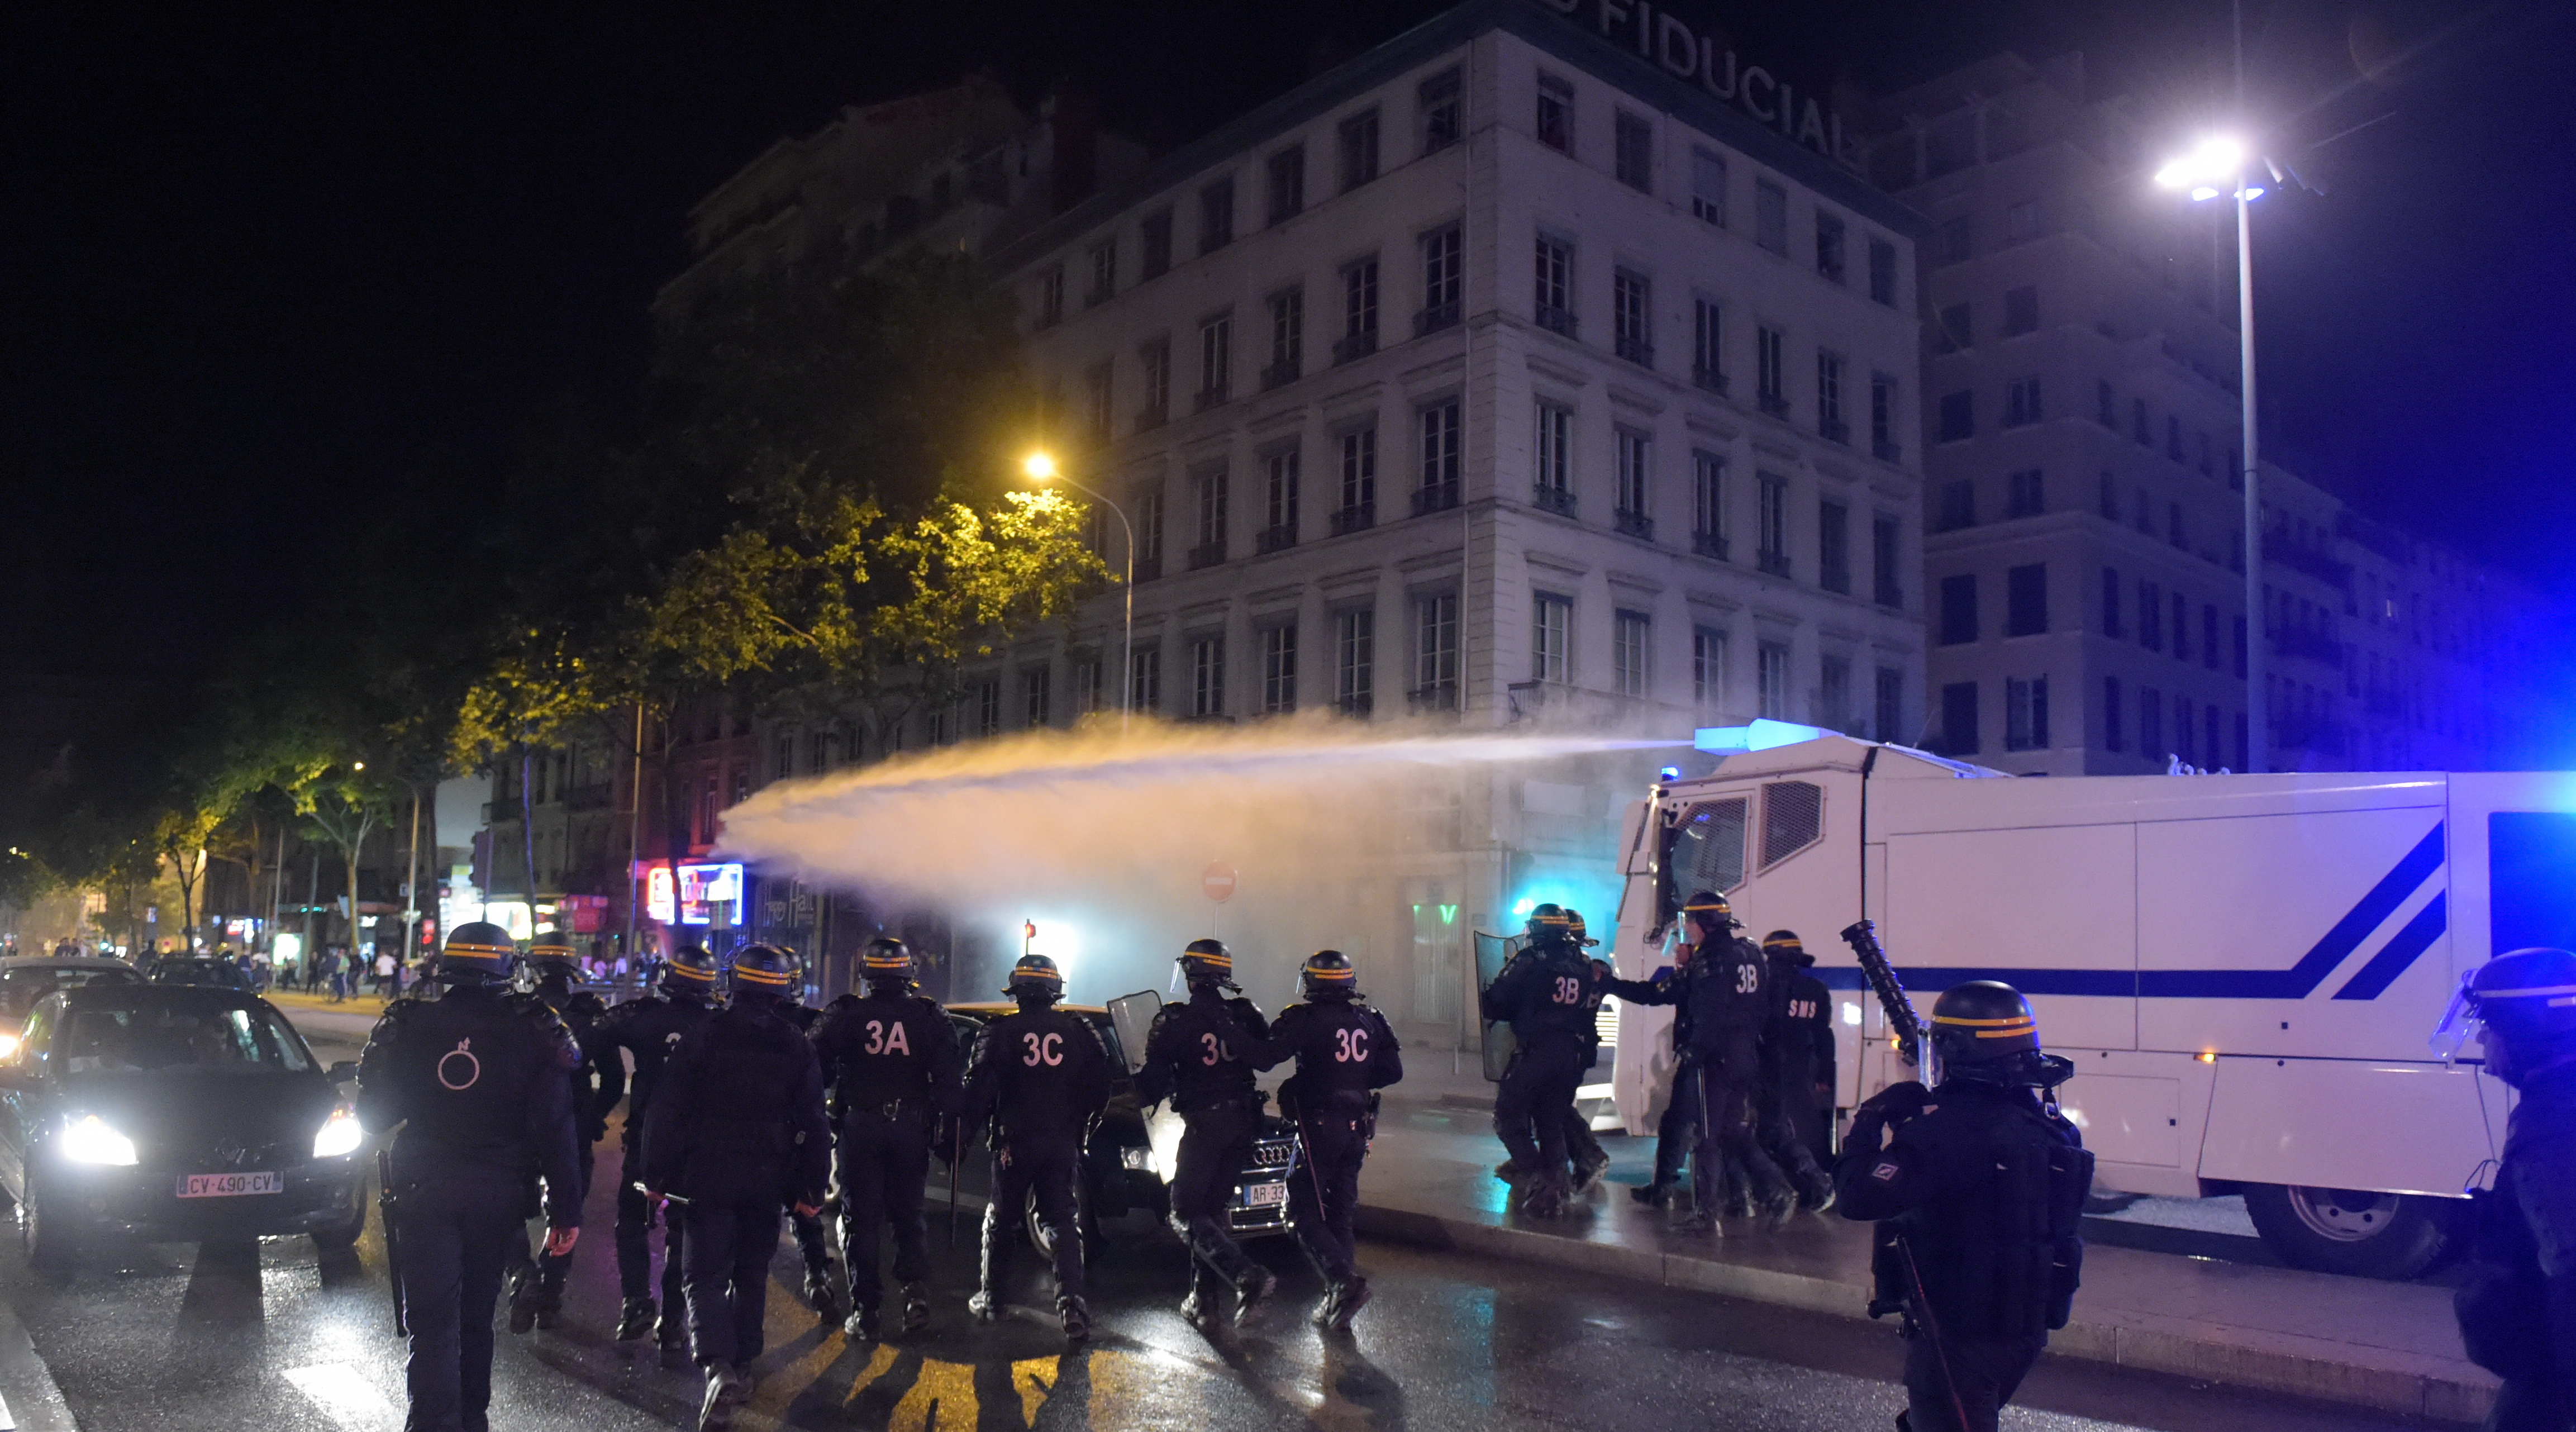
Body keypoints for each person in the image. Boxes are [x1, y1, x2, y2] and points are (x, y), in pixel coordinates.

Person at [355, 921, 583, 1432]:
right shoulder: (535, 1028)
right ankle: (472, 1419)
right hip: (498, 1193)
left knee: (433, 1323)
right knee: (478, 1318)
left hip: (424, 1190)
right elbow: (556, 1129)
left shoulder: (409, 1022)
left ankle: (433, 1422)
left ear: (448, 966)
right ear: (507, 968)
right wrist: (566, 1211)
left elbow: (372, 1117)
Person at [1837, 981, 2089, 1432]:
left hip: (1956, 1341)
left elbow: (1856, 1195)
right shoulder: (2051, 1126)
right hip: (2023, 1330)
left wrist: (1871, 1119)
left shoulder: (1947, 1134)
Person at [642, 943, 829, 1432]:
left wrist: (656, 1174)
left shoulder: (704, 1035)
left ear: (734, 983)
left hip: (708, 1175)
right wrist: (811, 1187)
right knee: (751, 1272)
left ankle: (717, 1365)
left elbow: (667, 1111)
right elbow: (815, 1120)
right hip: (768, 1179)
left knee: (701, 1274)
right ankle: (743, 1365)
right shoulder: (796, 1044)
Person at [2442, 946, 2576, 1430]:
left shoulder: (2550, 1124)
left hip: (2553, 1373)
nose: (2480, 1039)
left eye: (2489, 1026)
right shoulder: (2559, 1093)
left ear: (2527, 1033)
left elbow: (2569, 1267)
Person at [1599, 891, 1790, 1229]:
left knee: (1707, 1137)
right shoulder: (1748, 952)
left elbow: (1707, 1013)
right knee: (1732, 1133)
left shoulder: (1710, 961)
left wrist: (1694, 1053)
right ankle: (1776, 1190)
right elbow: (1765, 1004)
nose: (1687, 930)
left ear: (1704, 924)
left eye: (1690, 922)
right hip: (1745, 1056)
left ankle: (1706, 1213)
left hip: (1715, 1061)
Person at [811, 936, 961, 1341]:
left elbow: (813, 1063)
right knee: (907, 1215)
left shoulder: (846, 1012)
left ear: (867, 973)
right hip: (910, 1129)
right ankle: (915, 1295)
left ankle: (867, 1310)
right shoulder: (929, 1015)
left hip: (861, 1127)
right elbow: (950, 1076)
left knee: (861, 1222)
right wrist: (947, 1132)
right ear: (908, 972)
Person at [960, 952, 1111, 1341]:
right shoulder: (1077, 1030)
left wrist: (958, 1136)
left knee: (1002, 1218)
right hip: (1061, 1141)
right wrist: (1083, 1121)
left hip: (1014, 1142)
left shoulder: (999, 1031)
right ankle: (1072, 1303)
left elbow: (978, 1090)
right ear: (1053, 990)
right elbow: (1101, 1080)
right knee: (1061, 1219)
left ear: (1017, 991)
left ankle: (994, 1300)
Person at [1249, 950, 1402, 1331]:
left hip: (1319, 1126)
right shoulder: (1370, 1018)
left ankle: (1342, 1282)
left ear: (1312, 982)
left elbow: (1266, 1057)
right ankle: (1340, 1299)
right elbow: (1392, 1071)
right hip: (1357, 1125)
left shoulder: (1305, 1018)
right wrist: (1352, 1078)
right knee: (1338, 1212)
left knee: (1299, 1212)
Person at [1137, 938, 1278, 1326]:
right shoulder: (1245, 1013)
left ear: (1191, 975)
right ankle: (1203, 1302)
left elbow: (1152, 1084)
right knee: (1211, 1214)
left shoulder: (1175, 1021)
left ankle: (1246, 1275)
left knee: (1183, 1212)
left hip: (1206, 1127)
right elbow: (1264, 1056)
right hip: (1244, 1123)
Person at [594, 943, 723, 1366]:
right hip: (700, 1145)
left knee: (632, 1218)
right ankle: (673, 1323)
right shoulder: (718, 1024)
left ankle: (635, 1300)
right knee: (683, 1233)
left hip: (648, 1138)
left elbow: (593, 1033)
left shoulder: (645, 1015)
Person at [502, 939, 618, 1332]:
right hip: (576, 1126)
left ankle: (521, 1271)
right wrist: (593, 1114)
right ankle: (550, 1293)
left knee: (510, 1205)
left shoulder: (519, 1010)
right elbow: (615, 1080)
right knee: (566, 1210)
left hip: (520, 1125)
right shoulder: (589, 1015)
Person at [1479, 905, 1595, 1217]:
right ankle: (1557, 1191)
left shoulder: (1530, 960)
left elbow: (1495, 1004)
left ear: (1540, 930)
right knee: (1551, 1122)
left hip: (1536, 1053)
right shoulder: (1582, 963)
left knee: (1508, 1117)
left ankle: (1538, 1179)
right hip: (1569, 1054)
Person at [765, 956, 845, 1324]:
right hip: (798, 1135)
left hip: (757, 1142)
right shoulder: (813, 1023)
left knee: (751, 1221)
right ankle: (818, 1278)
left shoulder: (736, 1024)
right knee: (806, 1212)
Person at [1753, 930, 1837, 1212]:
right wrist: (1825, 1073)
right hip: (1801, 1066)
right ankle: (1817, 1177)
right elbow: (1824, 1034)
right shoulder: (1816, 990)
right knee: (1804, 1123)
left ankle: (1798, 1185)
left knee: (1767, 1128)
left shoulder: (1764, 987)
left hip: (1767, 1066)